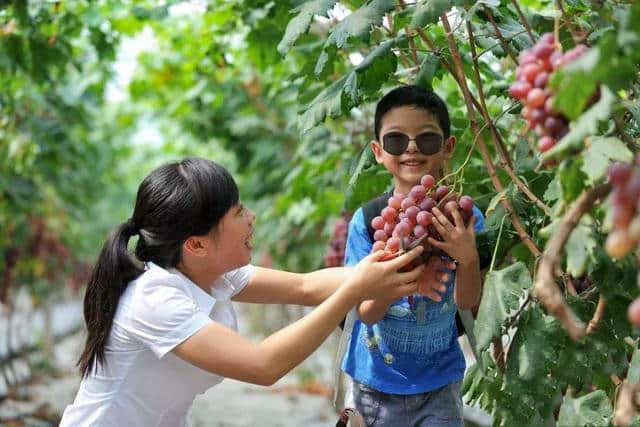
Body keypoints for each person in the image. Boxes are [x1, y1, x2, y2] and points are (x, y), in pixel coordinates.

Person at [59, 157, 426, 427]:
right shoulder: (155, 300)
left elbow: (306, 285)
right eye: (237, 212)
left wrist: (397, 259)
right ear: (197, 245)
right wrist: (353, 293)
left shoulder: (213, 275)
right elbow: (262, 365)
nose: (251, 217)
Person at [340, 85, 486, 426]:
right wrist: (406, 282)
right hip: (374, 383)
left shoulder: (463, 218)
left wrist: (467, 258)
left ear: (449, 147)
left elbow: (467, 301)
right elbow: (367, 312)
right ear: (378, 151)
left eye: (427, 139)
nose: (411, 149)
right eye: (396, 140)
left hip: (440, 382)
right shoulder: (368, 221)